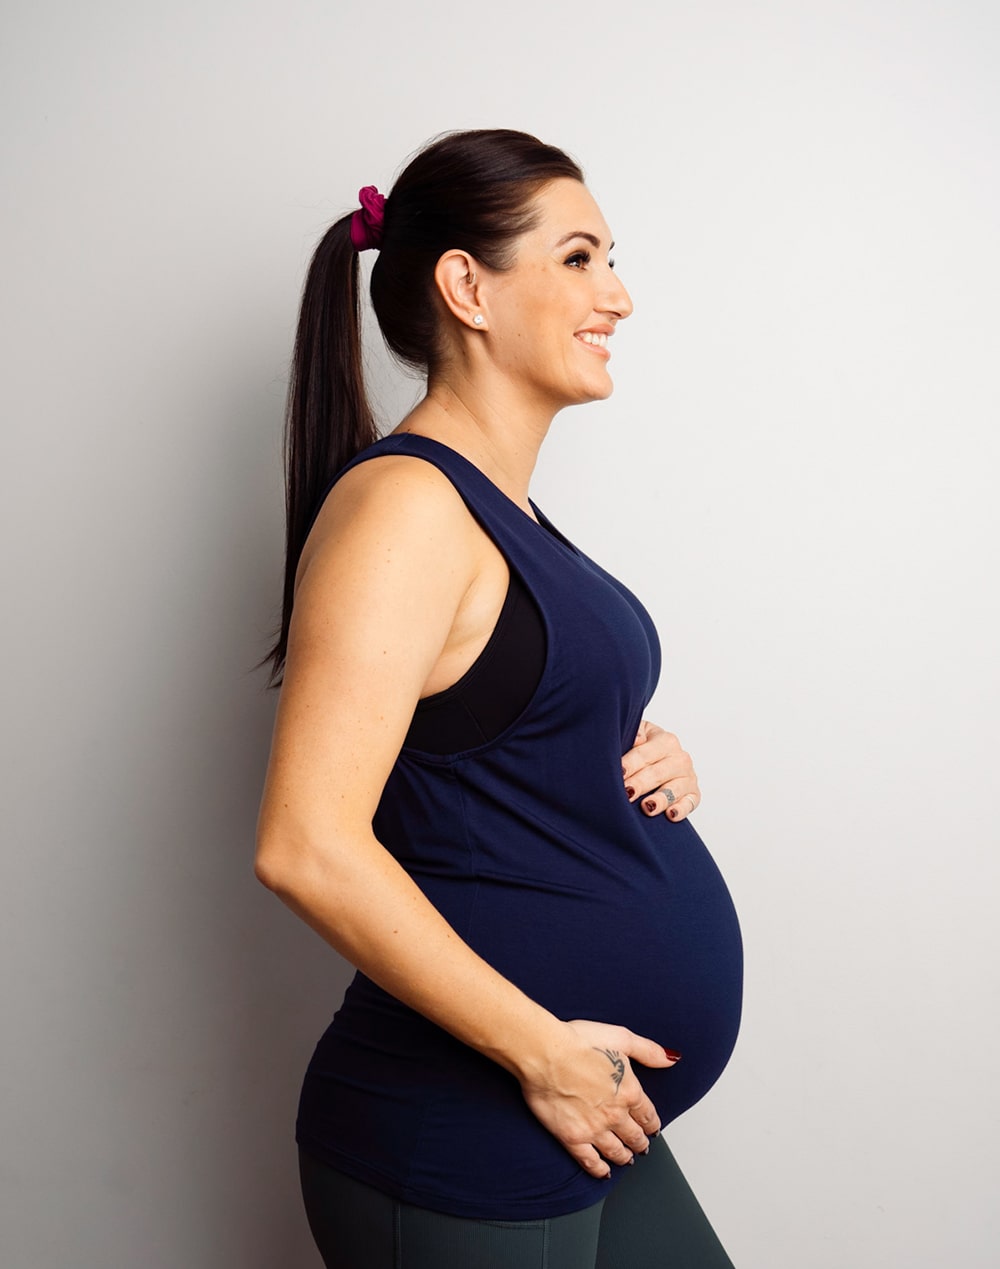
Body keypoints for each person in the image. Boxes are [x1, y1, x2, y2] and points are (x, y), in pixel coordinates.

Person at [255, 129, 743, 1269]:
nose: (616, 294)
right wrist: (542, 1053)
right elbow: (305, 845)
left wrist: (637, 758)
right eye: (578, 259)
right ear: (467, 285)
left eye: (611, 259)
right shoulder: (407, 511)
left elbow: (484, 735)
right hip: (473, 1126)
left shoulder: (493, 513)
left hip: (570, 1111)